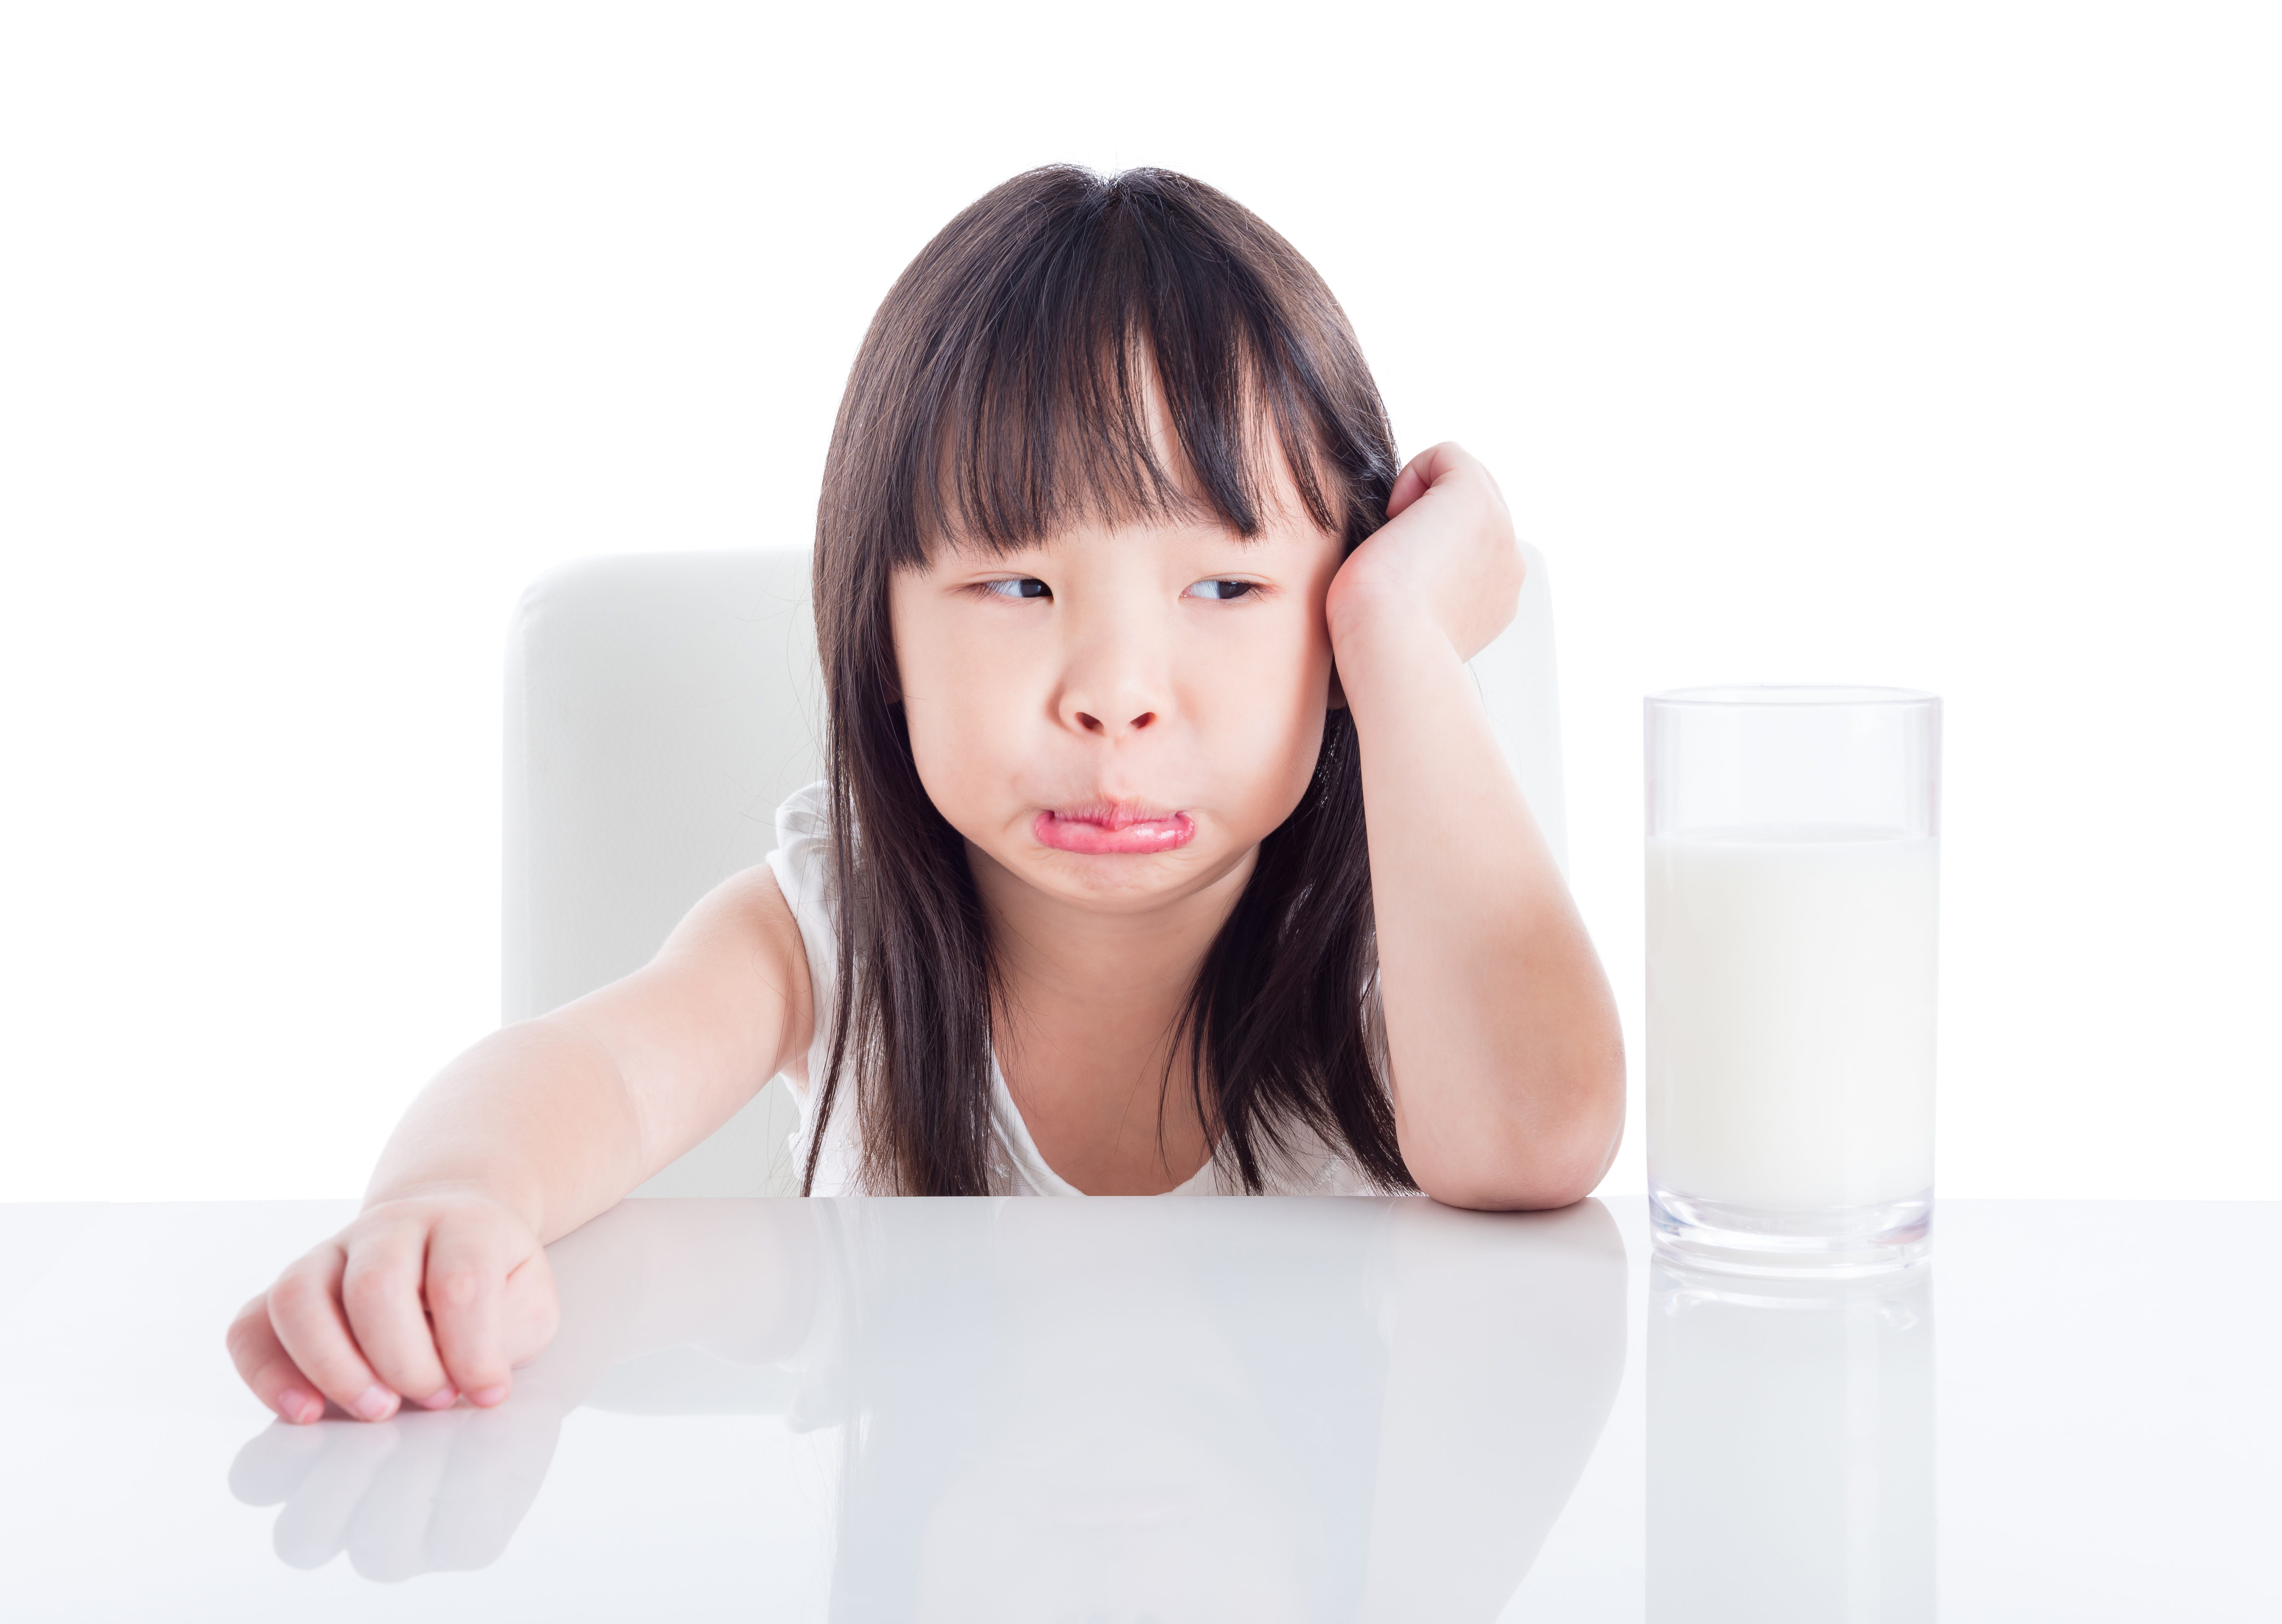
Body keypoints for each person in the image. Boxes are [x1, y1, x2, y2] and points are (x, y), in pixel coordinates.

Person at [226, 165, 1625, 1429]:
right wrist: (446, 1200)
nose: (1115, 695)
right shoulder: (824, 935)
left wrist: (1400, 636)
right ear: (880, 635)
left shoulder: (1408, 939)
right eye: (1019, 587)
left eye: (1227, 588)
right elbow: (587, 1071)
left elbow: (1535, 1139)